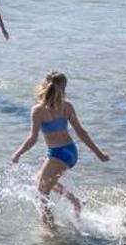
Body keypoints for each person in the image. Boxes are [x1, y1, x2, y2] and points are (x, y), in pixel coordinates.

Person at [9, 71, 109, 225]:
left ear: (44, 86)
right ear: (64, 88)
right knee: (41, 180)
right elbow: (81, 132)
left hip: (58, 154)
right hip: (70, 152)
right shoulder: (67, 106)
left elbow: (32, 138)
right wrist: (98, 153)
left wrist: (17, 153)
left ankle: (49, 228)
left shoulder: (38, 110)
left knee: (42, 192)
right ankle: (75, 201)